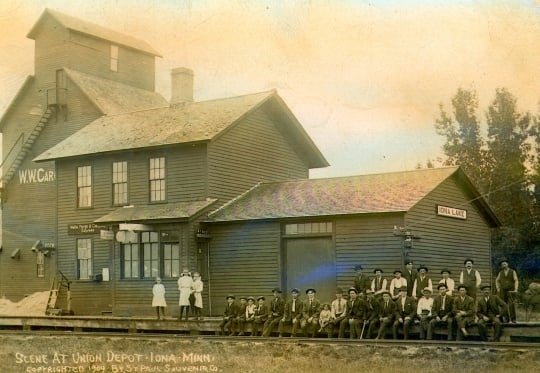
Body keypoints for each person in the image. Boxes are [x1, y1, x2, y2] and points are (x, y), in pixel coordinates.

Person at [495, 258, 519, 323]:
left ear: (507, 264)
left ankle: (513, 319)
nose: (504, 265)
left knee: (511, 304)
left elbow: (516, 280)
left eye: (505, 264)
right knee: (503, 305)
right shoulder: (500, 272)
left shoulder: (512, 271)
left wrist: (516, 289)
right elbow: (497, 280)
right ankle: (506, 319)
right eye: (502, 264)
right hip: (503, 291)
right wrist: (498, 288)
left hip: (510, 290)